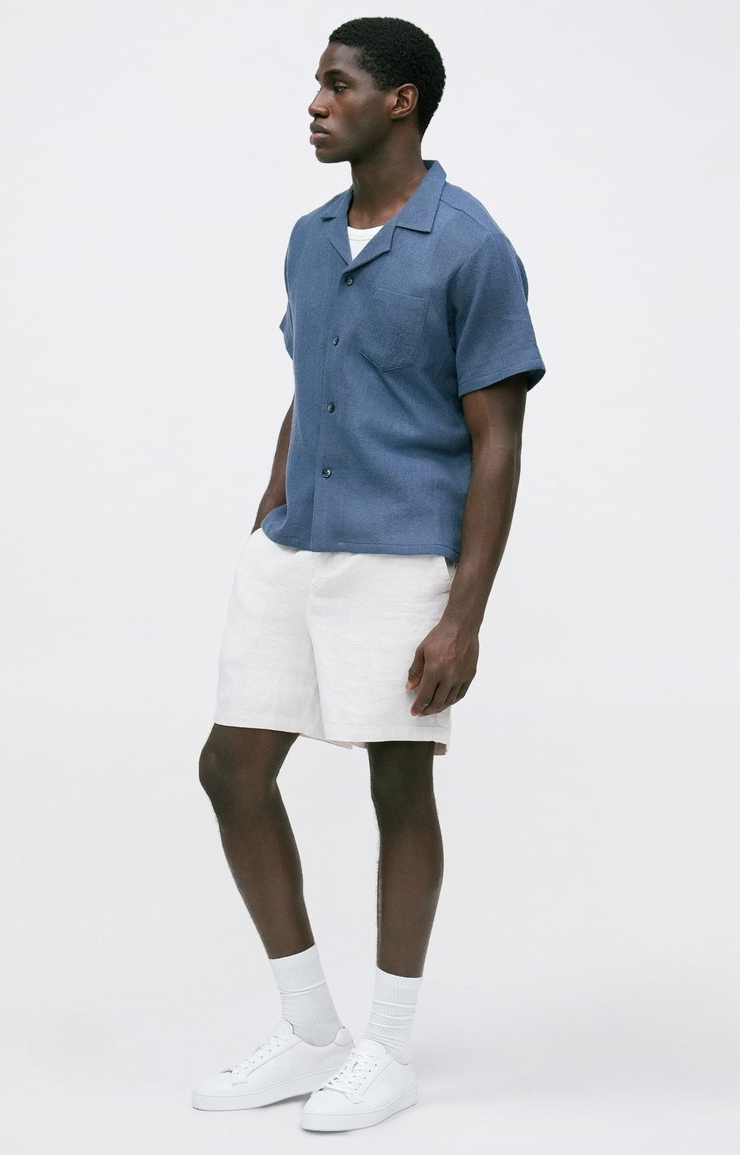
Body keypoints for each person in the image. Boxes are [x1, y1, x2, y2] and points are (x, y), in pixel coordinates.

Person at [192, 16, 545, 1133]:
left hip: (400, 555)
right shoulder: (308, 238)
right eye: (316, 83)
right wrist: (270, 504)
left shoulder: (470, 246)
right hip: (294, 543)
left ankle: (386, 1050)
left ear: (399, 102)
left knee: (398, 786)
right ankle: (312, 1032)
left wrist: (463, 616)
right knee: (230, 769)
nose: (314, 103)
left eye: (337, 84)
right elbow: (315, 377)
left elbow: (496, 438)